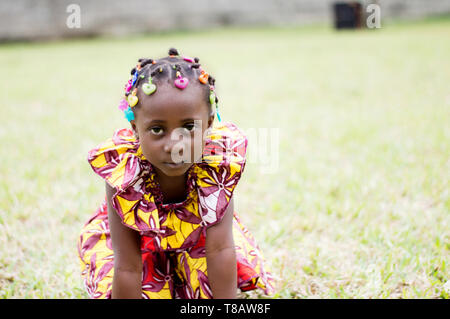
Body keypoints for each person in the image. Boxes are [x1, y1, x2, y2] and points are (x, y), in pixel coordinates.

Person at [77, 48, 274, 299]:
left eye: (189, 127)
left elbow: (221, 248)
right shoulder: (125, 175)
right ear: (135, 129)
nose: (175, 145)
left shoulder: (215, 165)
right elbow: (127, 265)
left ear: (210, 122)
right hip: (141, 251)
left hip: (196, 243)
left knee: (206, 289)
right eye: (157, 129)